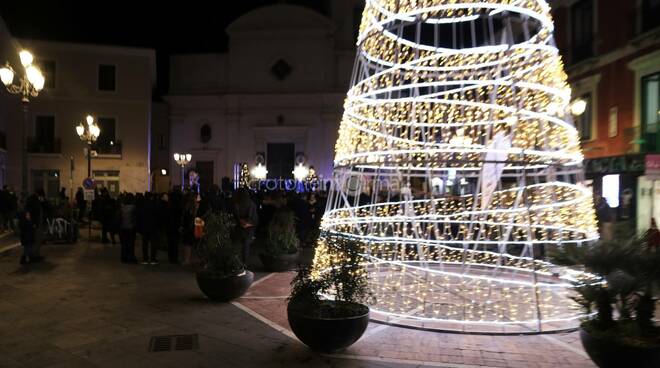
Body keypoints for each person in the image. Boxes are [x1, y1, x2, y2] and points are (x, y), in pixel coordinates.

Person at [232, 188, 258, 266]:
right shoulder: (251, 203)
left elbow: (234, 215)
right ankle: (244, 263)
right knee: (246, 246)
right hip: (248, 227)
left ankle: (236, 262)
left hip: (238, 227)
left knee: (236, 245)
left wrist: (240, 221)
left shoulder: (236, 203)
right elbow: (253, 217)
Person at [140, 192, 158, 264]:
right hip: (153, 226)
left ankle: (145, 259)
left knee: (145, 243)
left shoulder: (143, 205)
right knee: (153, 243)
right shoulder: (154, 204)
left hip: (145, 227)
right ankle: (153, 259)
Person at [119, 193, 138, 263]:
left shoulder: (122, 207)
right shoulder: (133, 207)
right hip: (131, 228)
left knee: (124, 244)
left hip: (123, 228)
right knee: (131, 244)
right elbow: (135, 217)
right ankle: (131, 258)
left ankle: (123, 258)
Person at [181, 192, 198, 266]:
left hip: (188, 227)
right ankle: (192, 259)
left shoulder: (187, 206)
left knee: (187, 244)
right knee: (193, 243)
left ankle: (187, 259)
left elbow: (184, 217)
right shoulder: (196, 206)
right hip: (194, 226)